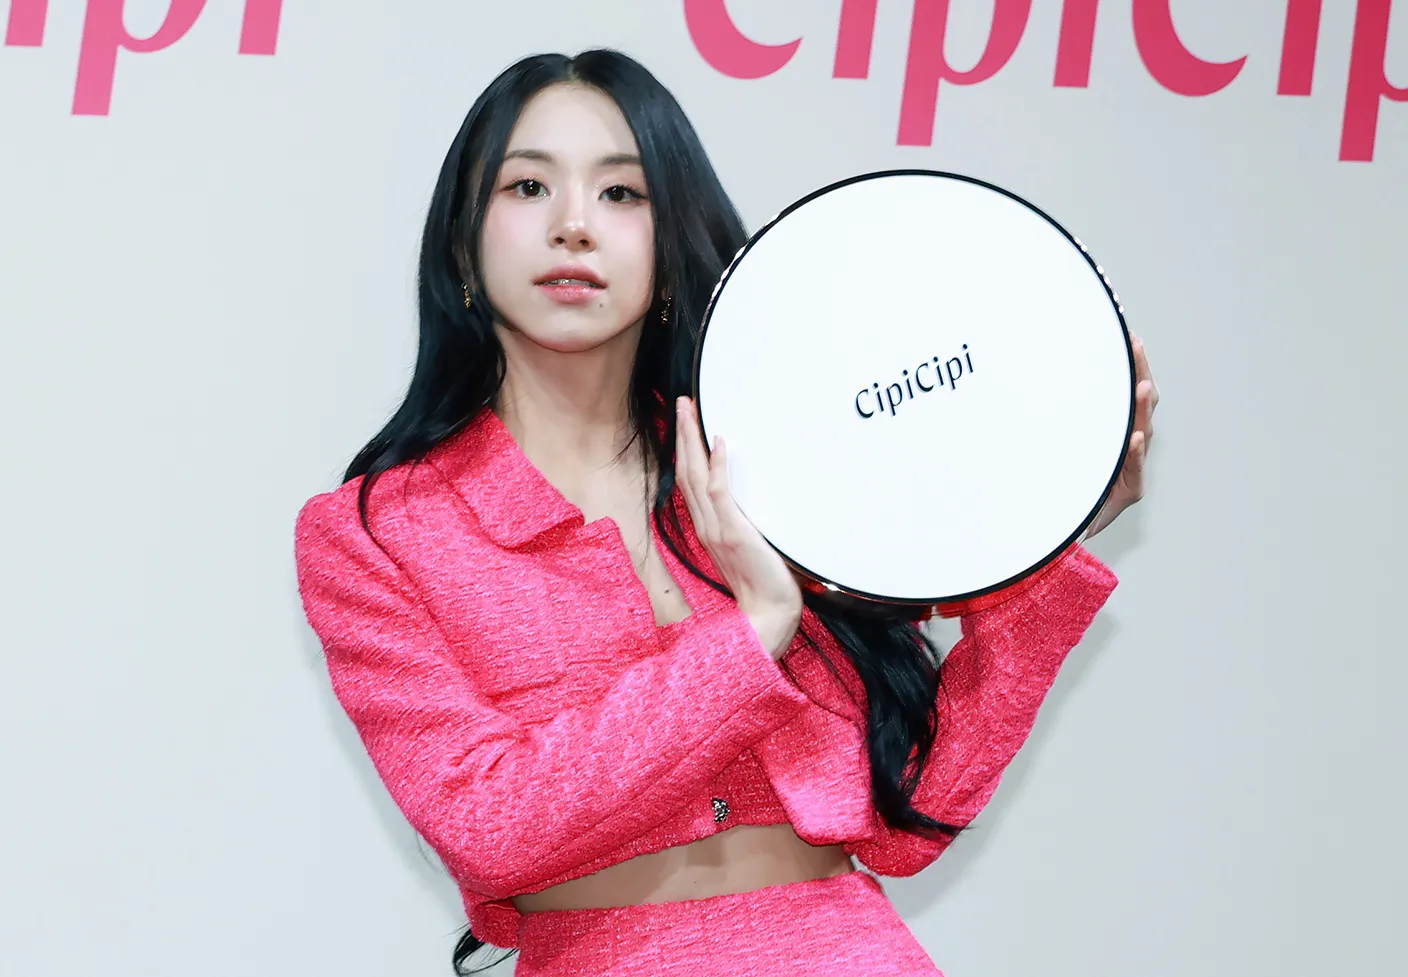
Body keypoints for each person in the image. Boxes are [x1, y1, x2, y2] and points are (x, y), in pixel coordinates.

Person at [292, 48, 1158, 976]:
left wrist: (1050, 544)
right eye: (528, 186)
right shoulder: (379, 533)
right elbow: (489, 829)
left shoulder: (779, 460)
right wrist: (749, 636)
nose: (574, 225)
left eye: (622, 193)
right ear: (463, 239)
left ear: (669, 243)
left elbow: (915, 815)